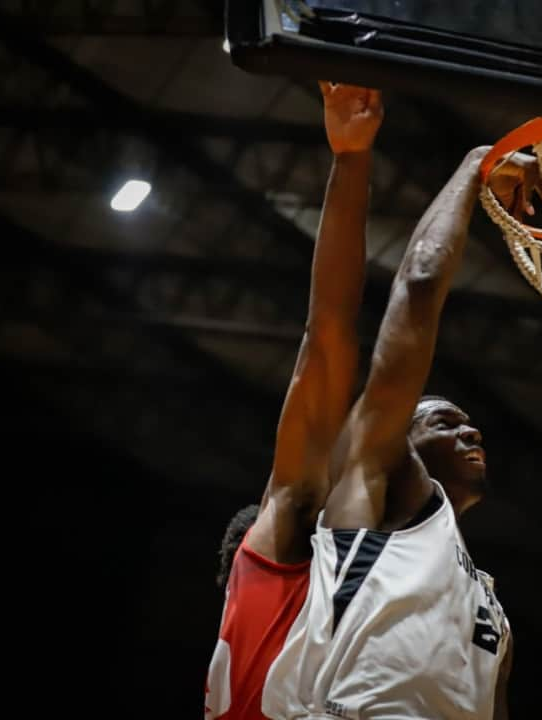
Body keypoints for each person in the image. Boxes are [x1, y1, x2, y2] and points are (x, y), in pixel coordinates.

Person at [259, 143, 542, 719]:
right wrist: (474, 166)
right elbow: (419, 283)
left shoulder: (490, 609)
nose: (471, 433)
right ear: (400, 442)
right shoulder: (373, 492)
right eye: (444, 421)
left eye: (468, 424)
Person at [205, 80, 384, 720]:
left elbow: (329, 333)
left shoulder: (328, 607)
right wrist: (352, 157)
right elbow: (329, 333)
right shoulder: (276, 555)